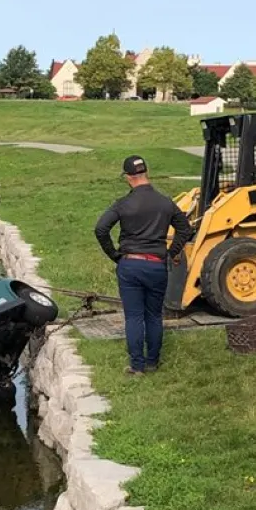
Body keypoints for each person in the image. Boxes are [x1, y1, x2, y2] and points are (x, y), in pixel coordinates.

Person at [94, 155, 192, 376]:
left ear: (128, 177)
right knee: (154, 315)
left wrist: (115, 255)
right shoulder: (165, 202)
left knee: (134, 316)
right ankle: (153, 361)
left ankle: (136, 365)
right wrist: (171, 252)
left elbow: (100, 229)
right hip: (157, 265)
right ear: (146, 174)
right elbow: (185, 229)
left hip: (130, 265)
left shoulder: (123, 203)